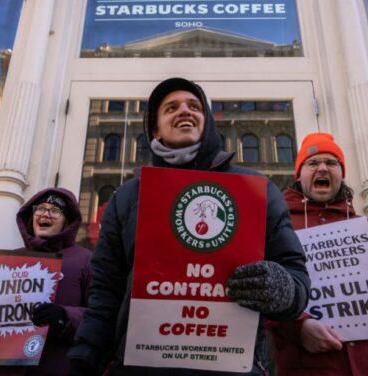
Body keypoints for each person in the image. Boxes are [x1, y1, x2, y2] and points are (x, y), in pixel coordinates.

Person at [67, 77, 310, 375]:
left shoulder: (253, 190)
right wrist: (86, 355)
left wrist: (281, 288)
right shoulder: (129, 196)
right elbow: (106, 289)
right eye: (171, 108)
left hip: (231, 366)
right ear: (154, 128)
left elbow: (297, 278)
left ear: (206, 123)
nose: (184, 111)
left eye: (194, 106)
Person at [268, 132, 368, 375]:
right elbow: (265, 291)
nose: (322, 168)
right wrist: (296, 327)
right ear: (299, 175)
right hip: (312, 366)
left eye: (331, 163)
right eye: (312, 163)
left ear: (342, 173)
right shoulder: (279, 228)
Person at [0, 187, 92, 376]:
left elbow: (100, 317)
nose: (45, 214)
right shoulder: (7, 260)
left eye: (55, 211)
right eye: (40, 208)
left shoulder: (84, 261)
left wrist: (64, 316)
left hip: (53, 365)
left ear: (67, 221)